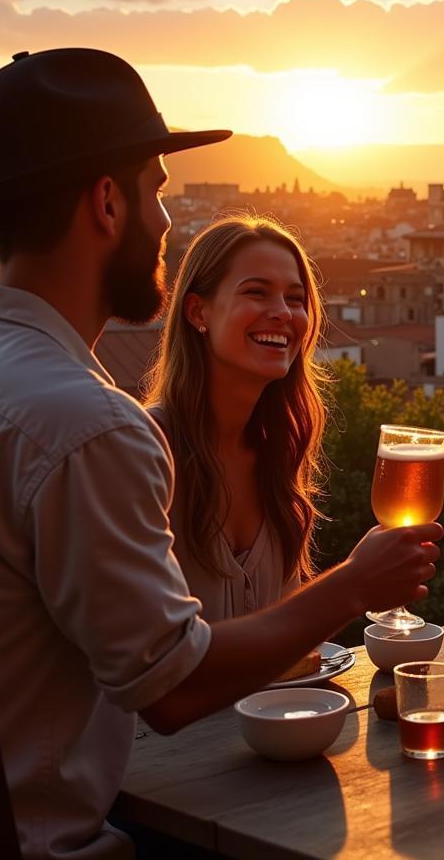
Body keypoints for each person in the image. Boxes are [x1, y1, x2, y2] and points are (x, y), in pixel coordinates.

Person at [0, 48, 441, 860]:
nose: (168, 223)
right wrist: (353, 583)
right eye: (158, 193)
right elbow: (172, 689)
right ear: (108, 203)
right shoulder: (89, 424)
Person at [144, 215, 326, 621]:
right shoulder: (146, 449)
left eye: (295, 299)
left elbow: (289, 649)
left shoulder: (277, 455)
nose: (282, 312)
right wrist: (351, 584)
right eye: (257, 292)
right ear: (197, 312)